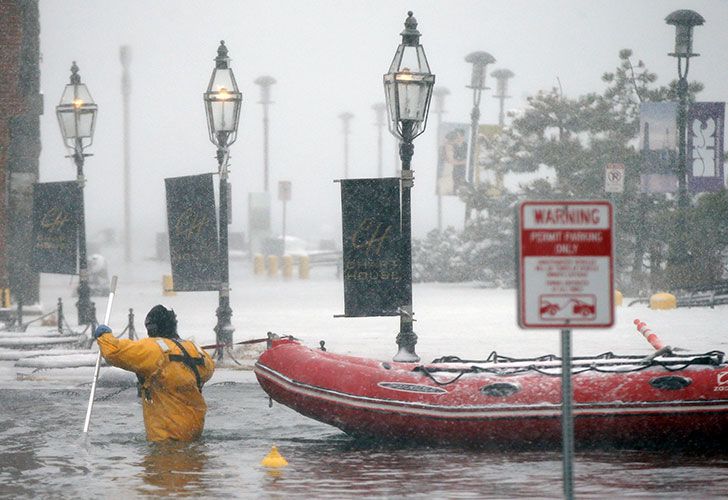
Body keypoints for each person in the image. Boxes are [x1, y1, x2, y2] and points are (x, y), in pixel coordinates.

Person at [94, 304, 215, 442]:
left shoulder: (154, 349)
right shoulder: (193, 348)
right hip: (193, 432)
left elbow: (115, 352)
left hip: (166, 437)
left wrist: (104, 336)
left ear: (152, 328)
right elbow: (208, 370)